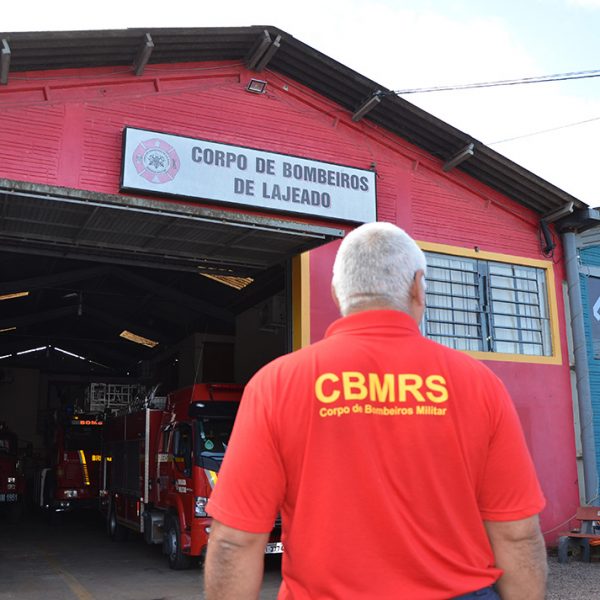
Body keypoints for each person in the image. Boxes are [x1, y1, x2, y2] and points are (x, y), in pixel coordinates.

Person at [204, 221, 547, 600]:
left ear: (338, 293)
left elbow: (235, 541)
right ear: (419, 287)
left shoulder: (277, 384)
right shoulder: (479, 384)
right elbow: (517, 533)